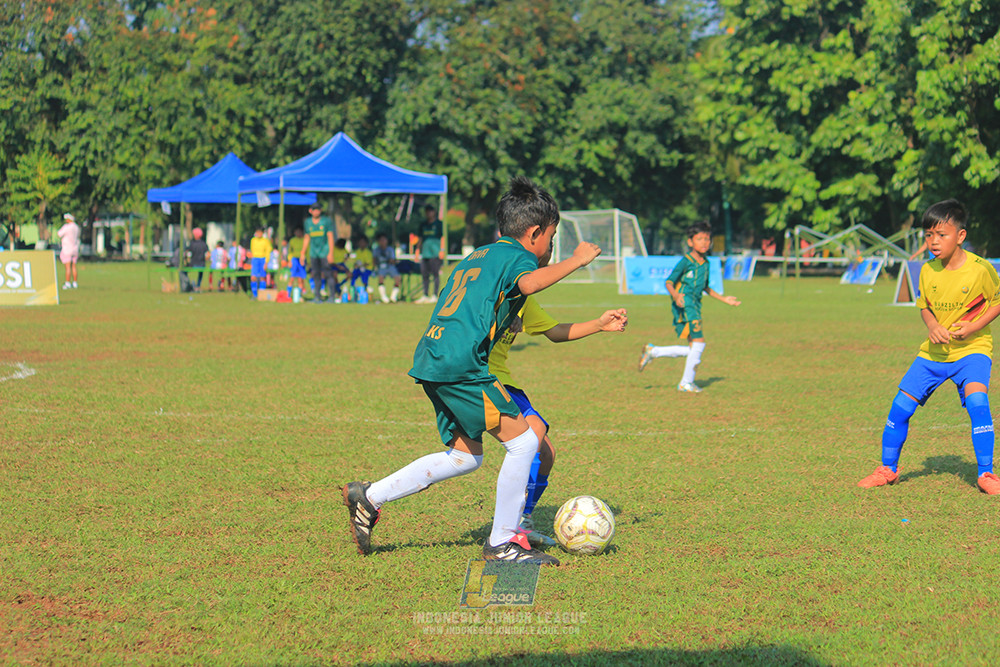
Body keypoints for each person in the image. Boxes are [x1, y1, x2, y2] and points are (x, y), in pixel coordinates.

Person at [342, 176, 602, 565]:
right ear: (533, 233)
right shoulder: (520, 256)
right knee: (525, 442)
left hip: (433, 356)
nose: (551, 246)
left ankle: (370, 496)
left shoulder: (478, 255)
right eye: (551, 237)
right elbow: (529, 284)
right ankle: (502, 543)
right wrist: (577, 260)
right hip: (463, 362)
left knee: (464, 456)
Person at [858, 199, 1000, 494]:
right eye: (928, 235)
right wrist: (933, 326)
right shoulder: (926, 270)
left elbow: (997, 302)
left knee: (977, 403)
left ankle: (987, 474)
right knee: (900, 408)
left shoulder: (980, 269)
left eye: (941, 234)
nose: (934, 241)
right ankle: (888, 469)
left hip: (972, 351)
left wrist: (973, 327)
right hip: (933, 354)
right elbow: (924, 307)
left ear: (960, 236)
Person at [489, 277, 628, 546]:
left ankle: (523, 519)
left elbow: (554, 331)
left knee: (546, 453)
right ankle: (510, 526)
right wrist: (502, 320)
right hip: (478, 376)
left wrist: (599, 325)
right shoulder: (488, 292)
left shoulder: (524, 301)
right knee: (471, 455)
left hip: (503, 378)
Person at [637, 221, 741, 392]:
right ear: (690, 242)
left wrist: (725, 299)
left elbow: (706, 287)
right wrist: (676, 295)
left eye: (707, 239)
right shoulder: (686, 261)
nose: (704, 242)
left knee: (695, 348)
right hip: (685, 305)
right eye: (699, 239)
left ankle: (653, 351)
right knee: (699, 344)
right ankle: (686, 383)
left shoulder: (706, 263)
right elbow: (669, 282)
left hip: (696, 305)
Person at [301, 203, 334, 303]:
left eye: (318, 209)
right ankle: (317, 297)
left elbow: (330, 237)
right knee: (316, 274)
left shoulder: (326, 221)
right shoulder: (307, 222)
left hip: (324, 252)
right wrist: (303, 252)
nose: (316, 211)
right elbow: (307, 237)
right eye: (314, 209)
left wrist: (331, 253)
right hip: (313, 253)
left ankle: (332, 297)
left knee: (328, 274)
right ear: (310, 211)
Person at [414, 203, 445, 304]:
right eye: (426, 211)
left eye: (430, 211)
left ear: (434, 212)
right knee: (424, 275)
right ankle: (425, 294)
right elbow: (420, 238)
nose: (428, 213)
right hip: (425, 254)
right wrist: (417, 251)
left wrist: (442, 250)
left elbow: (443, 237)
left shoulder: (439, 224)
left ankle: (435, 295)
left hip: (435, 254)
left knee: (435, 274)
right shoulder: (423, 225)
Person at [373, 231, 401, 303]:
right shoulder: (376, 250)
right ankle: (383, 297)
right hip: (381, 267)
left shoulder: (390, 249)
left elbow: (392, 260)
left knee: (397, 278)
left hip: (390, 266)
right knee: (381, 277)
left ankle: (393, 297)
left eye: (384, 240)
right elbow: (375, 260)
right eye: (381, 240)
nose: (383, 242)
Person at [57, 213, 81, 289]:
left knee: (68, 267)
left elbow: (59, 234)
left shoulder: (67, 227)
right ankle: (75, 282)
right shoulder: (77, 227)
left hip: (67, 249)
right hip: (75, 249)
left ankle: (67, 282)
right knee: (73, 266)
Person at [249, 228, 272, 298]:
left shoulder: (266, 241)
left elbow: (268, 252)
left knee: (262, 277)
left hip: (263, 259)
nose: (259, 234)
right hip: (255, 259)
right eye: (257, 232)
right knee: (253, 277)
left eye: (260, 232)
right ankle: (254, 294)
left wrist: (266, 262)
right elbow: (252, 250)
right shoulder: (253, 240)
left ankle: (262, 294)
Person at [350, 235, 374, 302]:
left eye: (363, 242)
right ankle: (352, 291)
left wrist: (360, 266)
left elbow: (368, 263)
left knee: (364, 275)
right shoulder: (357, 252)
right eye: (360, 242)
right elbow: (355, 262)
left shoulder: (368, 252)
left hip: (367, 269)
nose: (361, 244)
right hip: (359, 269)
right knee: (353, 275)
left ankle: (365, 290)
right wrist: (356, 265)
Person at [187, 227, 210, 292]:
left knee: (184, 271)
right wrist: (205, 259)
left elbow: (188, 253)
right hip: (202, 264)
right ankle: (198, 286)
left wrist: (188, 261)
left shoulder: (192, 244)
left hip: (193, 264)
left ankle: (191, 285)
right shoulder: (204, 244)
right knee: (200, 275)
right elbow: (208, 254)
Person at [288, 228, 307, 297]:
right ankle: (288, 294)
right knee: (292, 277)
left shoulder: (304, 240)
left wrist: (304, 259)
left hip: (301, 260)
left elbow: (307, 251)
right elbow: (290, 252)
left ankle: (300, 295)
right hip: (294, 260)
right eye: (297, 231)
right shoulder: (292, 240)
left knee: (300, 279)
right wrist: (290, 260)